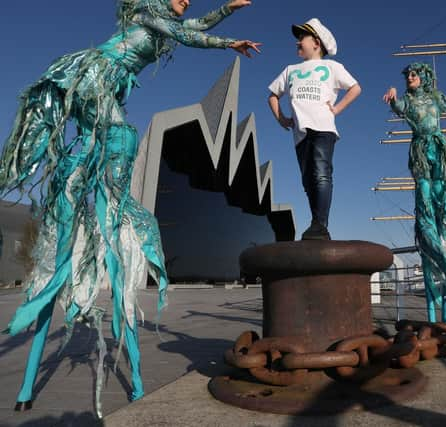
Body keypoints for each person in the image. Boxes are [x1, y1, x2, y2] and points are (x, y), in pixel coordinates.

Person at [0, 0, 260, 415]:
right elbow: (187, 34)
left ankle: (44, 384)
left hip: (102, 101)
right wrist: (227, 42)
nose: (186, 1)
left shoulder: (159, 23)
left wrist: (227, 10)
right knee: (114, 140)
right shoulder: (147, 14)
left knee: (109, 171)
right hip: (95, 81)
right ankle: (65, 369)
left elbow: (191, 24)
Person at [383, 62, 446, 323]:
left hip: (438, 150)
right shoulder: (406, 100)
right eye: (407, 75)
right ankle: (442, 257)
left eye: (414, 74)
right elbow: (398, 108)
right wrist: (393, 98)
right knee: (425, 201)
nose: (410, 78)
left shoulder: (436, 98)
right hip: (420, 151)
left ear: (425, 76)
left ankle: (445, 248)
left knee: (443, 201)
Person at [268, 18, 361, 240]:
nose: (297, 43)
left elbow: (355, 88)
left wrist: (337, 109)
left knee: (321, 173)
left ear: (316, 43)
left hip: (322, 127)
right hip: (299, 133)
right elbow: (273, 95)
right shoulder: (290, 70)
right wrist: (281, 118)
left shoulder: (331, 67)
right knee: (307, 180)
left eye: (302, 38)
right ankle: (316, 221)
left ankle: (320, 225)